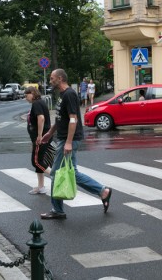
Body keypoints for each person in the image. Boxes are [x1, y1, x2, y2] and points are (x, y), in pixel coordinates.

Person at [40, 69, 112, 220]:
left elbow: (73, 119)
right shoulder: (62, 95)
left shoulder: (70, 94)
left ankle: (58, 210)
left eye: (52, 78)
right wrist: (50, 132)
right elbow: (61, 118)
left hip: (68, 139)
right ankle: (102, 191)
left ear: (60, 78)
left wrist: (68, 142)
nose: (50, 81)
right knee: (72, 173)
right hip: (63, 137)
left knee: (56, 173)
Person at [25, 86, 53, 194]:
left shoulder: (36, 103)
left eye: (26, 95)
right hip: (41, 137)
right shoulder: (40, 102)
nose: (25, 98)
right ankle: (41, 187)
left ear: (32, 93)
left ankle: (56, 176)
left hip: (40, 138)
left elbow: (41, 118)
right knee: (40, 161)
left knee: (36, 162)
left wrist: (39, 135)